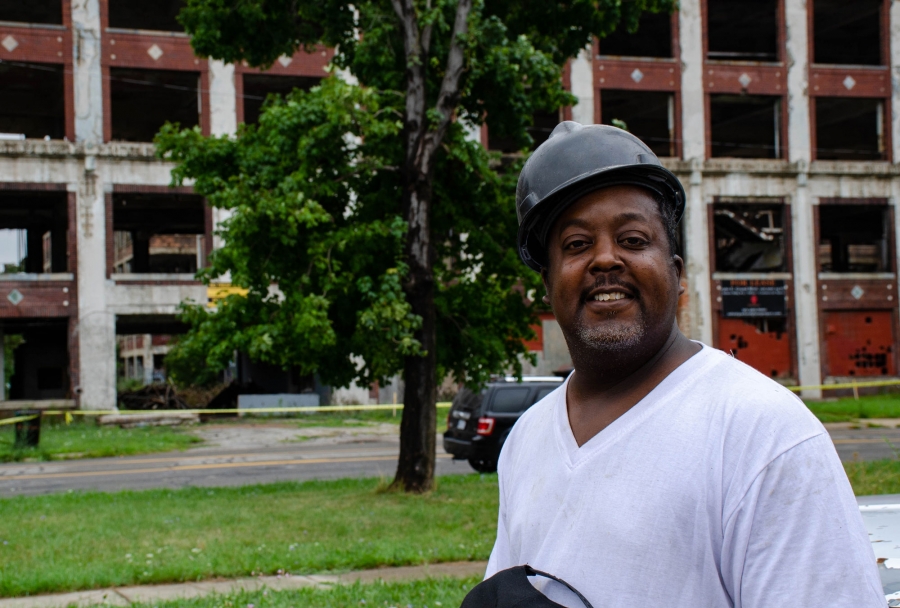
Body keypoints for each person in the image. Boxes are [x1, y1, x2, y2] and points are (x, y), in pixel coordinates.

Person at [484, 122, 884, 607]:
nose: (605, 259)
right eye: (576, 244)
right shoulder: (526, 438)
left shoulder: (762, 433)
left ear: (676, 273)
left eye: (632, 240)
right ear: (547, 285)